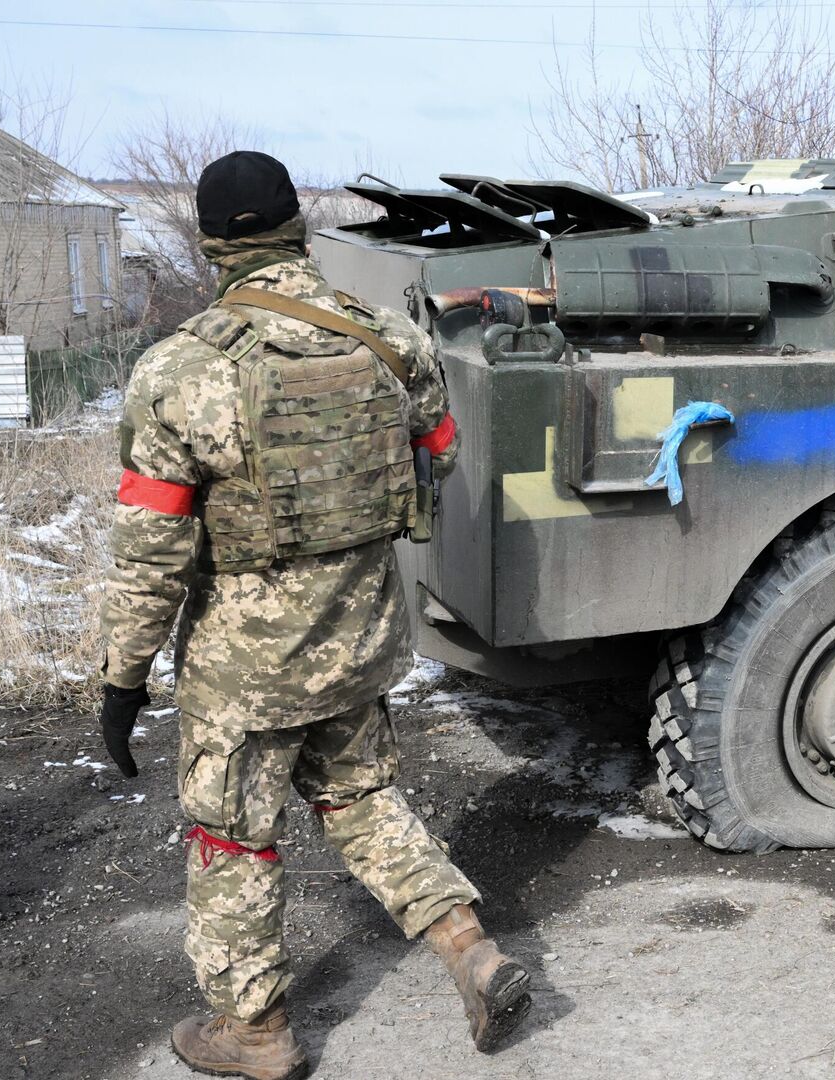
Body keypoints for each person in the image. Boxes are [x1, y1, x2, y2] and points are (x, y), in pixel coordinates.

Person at [96, 150, 530, 1080]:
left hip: (243, 671)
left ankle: (255, 1035)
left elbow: (151, 553)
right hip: (361, 638)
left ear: (213, 243)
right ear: (296, 225)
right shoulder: (389, 341)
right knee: (364, 800)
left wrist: (121, 677)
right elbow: (439, 459)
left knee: (232, 837)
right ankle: (471, 950)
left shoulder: (181, 370)